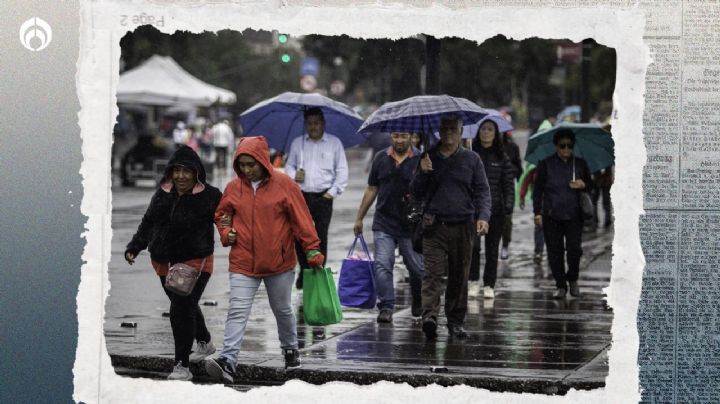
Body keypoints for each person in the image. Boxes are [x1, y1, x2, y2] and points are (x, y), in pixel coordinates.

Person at [205, 136, 324, 383]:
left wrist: (312, 249)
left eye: (252, 164)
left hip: (278, 263)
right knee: (237, 311)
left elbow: (301, 219)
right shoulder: (233, 187)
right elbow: (222, 214)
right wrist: (227, 233)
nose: (247, 170)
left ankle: (291, 350)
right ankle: (228, 360)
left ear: (262, 160)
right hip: (242, 262)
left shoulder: (285, 185)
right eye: (242, 165)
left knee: (282, 309)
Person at [124, 145, 222, 381]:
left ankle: (182, 366)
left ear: (196, 172)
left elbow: (227, 221)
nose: (180, 176)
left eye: (186, 171)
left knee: (180, 309)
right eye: (176, 171)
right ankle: (205, 342)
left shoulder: (210, 195)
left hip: (194, 260)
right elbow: (148, 222)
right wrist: (135, 246)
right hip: (163, 262)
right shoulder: (162, 193)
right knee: (185, 305)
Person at [411, 114, 491, 340]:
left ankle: (456, 321)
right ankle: (430, 317)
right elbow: (415, 192)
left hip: (463, 226)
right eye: (444, 129)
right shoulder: (428, 157)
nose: (448, 133)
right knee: (432, 275)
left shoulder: (472, 159)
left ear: (461, 131)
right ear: (438, 131)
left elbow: (482, 191)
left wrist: (483, 216)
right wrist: (423, 173)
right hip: (434, 226)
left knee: (459, 275)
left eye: (452, 129)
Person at [353, 131, 424, 323]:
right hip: (384, 221)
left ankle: (419, 298)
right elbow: (372, 188)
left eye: (403, 136)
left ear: (411, 137)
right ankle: (386, 305)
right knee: (383, 264)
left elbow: (428, 190)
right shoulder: (381, 158)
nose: (399, 140)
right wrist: (359, 218)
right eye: (395, 136)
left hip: (411, 225)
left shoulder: (421, 159)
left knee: (417, 268)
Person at [285, 107, 349, 289]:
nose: (313, 127)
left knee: (320, 238)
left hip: (323, 197)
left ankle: (317, 273)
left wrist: (332, 193)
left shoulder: (334, 143)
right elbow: (289, 166)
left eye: (316, 123)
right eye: (310, 123)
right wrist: (293, 175)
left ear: (323, 123)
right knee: (299, 236)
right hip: (301, 197)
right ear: (305, 124)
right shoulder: (298, 144)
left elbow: (342, 170)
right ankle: (304, 269)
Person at [532, 129, 592, 299]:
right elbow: (538, 191)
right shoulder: (545, 164)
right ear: (556, 146)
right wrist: (537, 212)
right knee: (554, 252)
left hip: (574, 216)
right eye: (562, 146)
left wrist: (583, 185)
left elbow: (591, 186)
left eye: (569, 146)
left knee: (574, 250)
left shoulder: (580, 164)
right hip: (552, 215)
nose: (566, 149)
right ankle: (560, 285)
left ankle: (573, 279)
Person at [469, 119, 515, 299]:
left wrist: (508, 205)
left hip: (496, 210)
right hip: (473, 210)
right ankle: (473, 281)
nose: (486, 133)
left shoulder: (502, 158)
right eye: (483, 129)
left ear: (496, 134)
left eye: (490, 130)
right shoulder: (471, 155)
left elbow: (508, 185)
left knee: (492, 249)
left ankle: (489, 284)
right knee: (473, 248)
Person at [499, 128, 522, 260]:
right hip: (491, 188)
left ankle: (505, 244)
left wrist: (509, 171)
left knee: (507, 218)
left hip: (507, 188)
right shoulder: (482, 148)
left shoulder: (512, 147)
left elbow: (519, 168)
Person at [518, 163, 545, 264]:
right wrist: (522, 197)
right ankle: (538, 251)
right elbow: (526, 183)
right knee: (539, 226)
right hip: (538, 202)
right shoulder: (534, 171)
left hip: (553, 202)